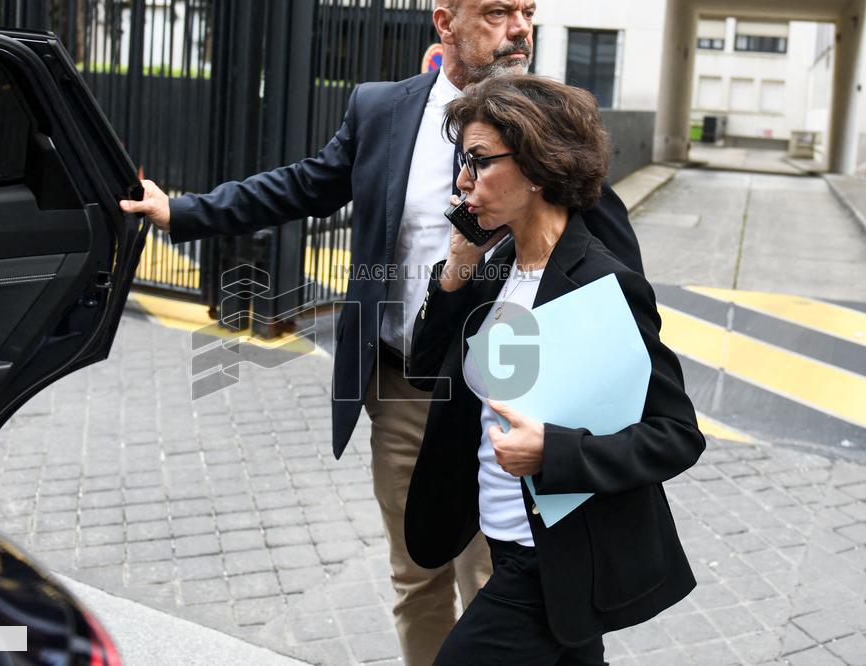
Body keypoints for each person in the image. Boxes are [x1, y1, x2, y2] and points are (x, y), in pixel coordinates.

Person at [119, 2, 643, 663]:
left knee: (498, 577)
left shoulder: (548, 122)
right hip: (401, 388)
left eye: (527, 11)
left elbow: (616, 268)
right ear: (444, 21)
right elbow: (304, 185)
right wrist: (184, 211)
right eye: (497, 11)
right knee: (417, 571)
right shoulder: (383, 109)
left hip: (507, 400)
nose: (519, 28)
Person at [404, 73, 705, 664]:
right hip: (499, 535)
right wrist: (458, 267)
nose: (462, 181)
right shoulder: (497, 265)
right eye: (461, 163)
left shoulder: (600, 282)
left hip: (554, 553)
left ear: (538, 167)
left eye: (479, 162)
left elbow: (677, 433)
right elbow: (423, 370)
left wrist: (553, 453)